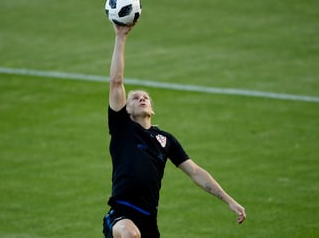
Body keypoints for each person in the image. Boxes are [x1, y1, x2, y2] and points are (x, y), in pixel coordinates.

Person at [103, 24, 246, 238]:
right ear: (127, 110)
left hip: (148, 219)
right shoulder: (123, 128)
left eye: (145, 97)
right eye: (135, 97)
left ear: (152, 108)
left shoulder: (166, 140)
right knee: (130, 234)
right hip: (121, 214)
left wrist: (229, 200)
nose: (141, 98)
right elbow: (116, 82)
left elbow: (195, 172)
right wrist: (120, 36)